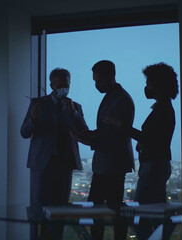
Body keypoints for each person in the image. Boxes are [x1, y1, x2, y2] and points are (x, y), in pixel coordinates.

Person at [105, 62, 178, 239]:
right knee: (156, 211)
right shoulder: (163, 109)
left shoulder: (162, 110)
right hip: (157, 164)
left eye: (149, 83)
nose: (146, 87)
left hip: (153, 166)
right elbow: (155, 139)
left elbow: (150, 139)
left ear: (158, 86)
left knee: (142, 213)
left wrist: (120, 124)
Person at [20, 68, 88, 240]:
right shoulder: (38, 104)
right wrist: (33, 120)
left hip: (64, 165)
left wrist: (73, 112)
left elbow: (84, 132)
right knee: (39, 209)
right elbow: (24, 132)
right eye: (60, 85)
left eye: (67, 85)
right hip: (42, 165)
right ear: (51, 85)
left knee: (61, 209)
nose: (64, 89)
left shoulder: (75, 106)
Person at [75, 60, 135, 240]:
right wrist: (89, 135)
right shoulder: (115, 96)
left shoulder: (120, 99)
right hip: (107, 164)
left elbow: (116, 137)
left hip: (112, 164)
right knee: (102, 208)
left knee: (106, 209)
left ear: (111, 77)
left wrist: (85, 140)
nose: (96, 85)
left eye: (99, 81)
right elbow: (107, 132)